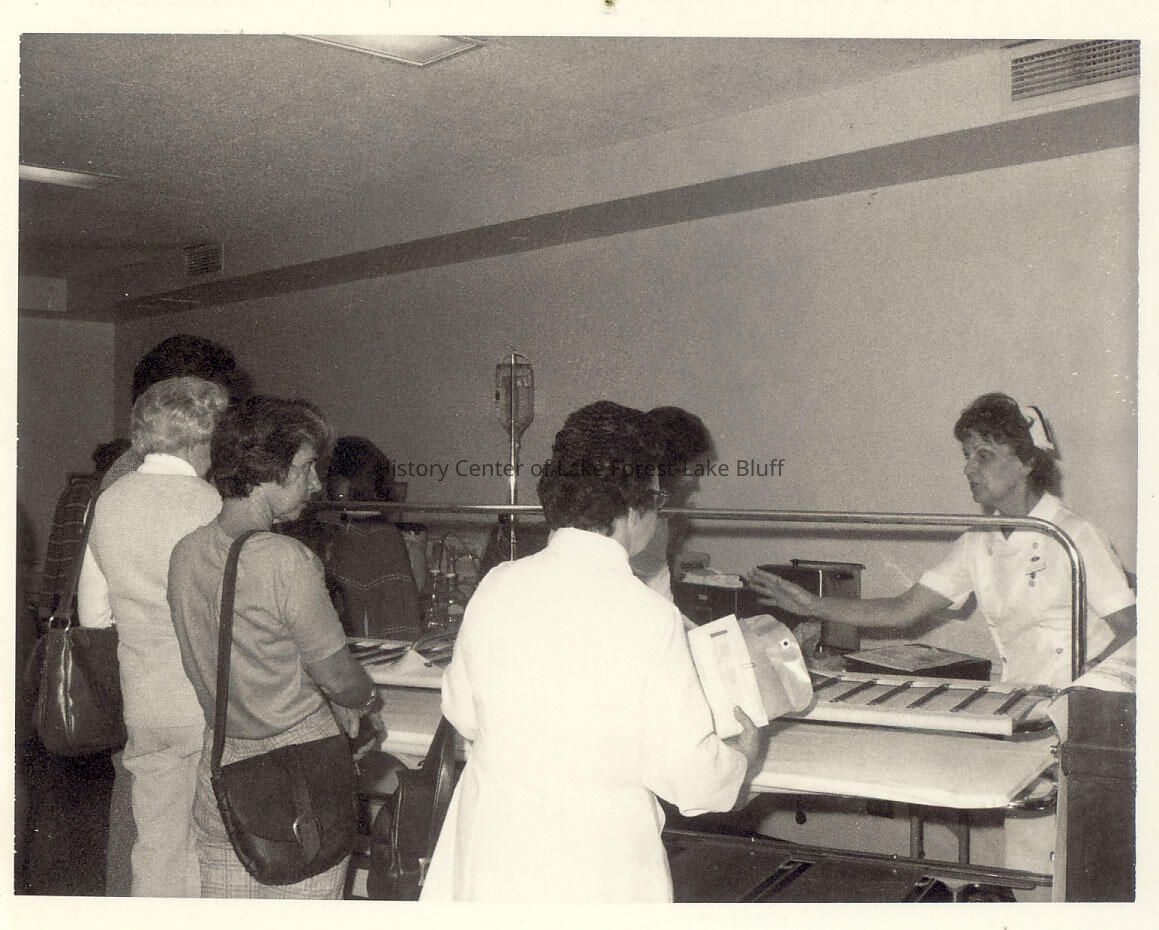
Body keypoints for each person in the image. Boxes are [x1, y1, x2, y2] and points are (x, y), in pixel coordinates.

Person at [420, 400, 764, 902]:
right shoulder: (648, 617)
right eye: (658, 498)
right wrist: (742, 757)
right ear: (634, 507)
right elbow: (692, 780)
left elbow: (462, 713)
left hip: (494, 858)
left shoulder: (498, 585)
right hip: (594, 870)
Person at [747, 392, 1136, 690]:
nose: (968, 469)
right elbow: (904, 609)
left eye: (984, 456)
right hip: (1019, 696)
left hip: (1081, 703)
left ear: (1027, 462)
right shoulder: (978, 542)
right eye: (967, 455)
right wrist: (812, 604)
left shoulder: (1073, 535)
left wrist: (1089, 683)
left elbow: (1134, 629)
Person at [166, 397, 385, 899]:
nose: (316, 483)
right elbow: (338, 676)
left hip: (222, 762)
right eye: (306, 468)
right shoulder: (286, 560)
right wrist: (367, 701)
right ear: (269, 469)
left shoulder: (186, 552)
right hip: (300, 768)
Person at [100, 334, 250, 895]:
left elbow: (97, 607)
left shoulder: (117, 488)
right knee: (194, 845)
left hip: (141, 695)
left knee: (153, 842)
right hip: (197, 696)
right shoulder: (203, 498)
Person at [321, 436, 422, 640]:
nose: (317, 484)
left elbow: (394, 626)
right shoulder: (376, 533)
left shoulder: (369, 536)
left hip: (367, 652)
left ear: (347, 480)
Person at [631, 406, 715, 608]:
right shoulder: (640, 520)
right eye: (694, 470)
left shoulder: (658, 516)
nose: (696, 484)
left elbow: (661, 598)